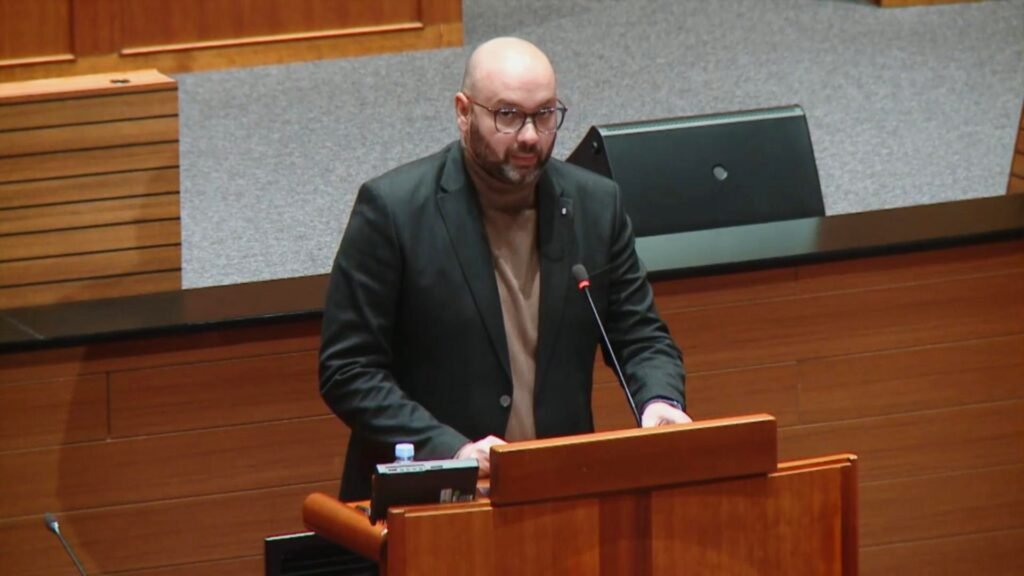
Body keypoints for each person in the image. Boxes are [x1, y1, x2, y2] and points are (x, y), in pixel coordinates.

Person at [319, 37, 689, 501]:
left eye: (545, 114)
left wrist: (659, 401)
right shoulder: (393, 211)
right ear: (463, 112)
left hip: (559, 491)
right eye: (508, 115)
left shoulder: (596, 205)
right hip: (432, 503)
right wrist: (451, 450)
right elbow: (348, 369)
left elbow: (640, 336)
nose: (530, 135)